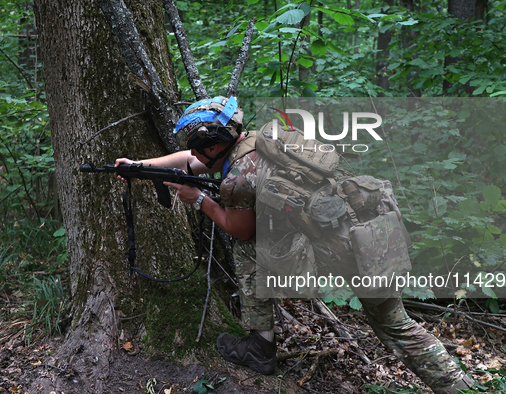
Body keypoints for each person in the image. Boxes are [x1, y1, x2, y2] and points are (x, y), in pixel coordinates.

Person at [115, 96, 475, 393]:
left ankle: (260, 346)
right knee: (397, 324)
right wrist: (140, 166)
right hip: (369, 232)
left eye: (198, 146)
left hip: (347, 252)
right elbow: (190, 164)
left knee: (248, 248)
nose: (194, 154)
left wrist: (197, 199)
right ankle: (461, 386)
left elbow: (237, 229)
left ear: (212, 144)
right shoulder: (257, 143)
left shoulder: (238, 178)